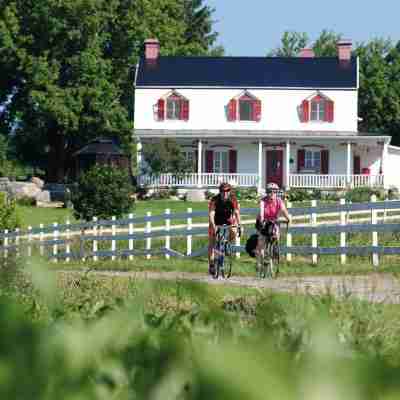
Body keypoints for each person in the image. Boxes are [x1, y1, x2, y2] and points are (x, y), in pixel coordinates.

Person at [208, 182, 241, 275]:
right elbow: (211, 214)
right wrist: (214, 226)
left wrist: (240, 225)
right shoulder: (215, 200)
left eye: (227, 191)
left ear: (230, 191)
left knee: (234, 230)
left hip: (227, 220)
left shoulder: (232, 199)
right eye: (223, 191)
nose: (225, 193)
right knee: (212, 242)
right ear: (220, 192)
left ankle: (227, 244)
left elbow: (237, 213)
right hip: (215, 221)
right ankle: (211, 264)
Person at [255, 182, 290, 265]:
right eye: (270, 191)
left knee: (276, 234)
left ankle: (275, 249)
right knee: (261, 242)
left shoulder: (279, 201)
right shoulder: (263, 201)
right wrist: (262, 220)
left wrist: (288, 219)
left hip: (273, 221)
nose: (272, 193)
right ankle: (261, 261)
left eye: (274, 191)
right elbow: (261, 212)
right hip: (262, 221)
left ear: (276, 192)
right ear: (267, 192)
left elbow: (284, 210)